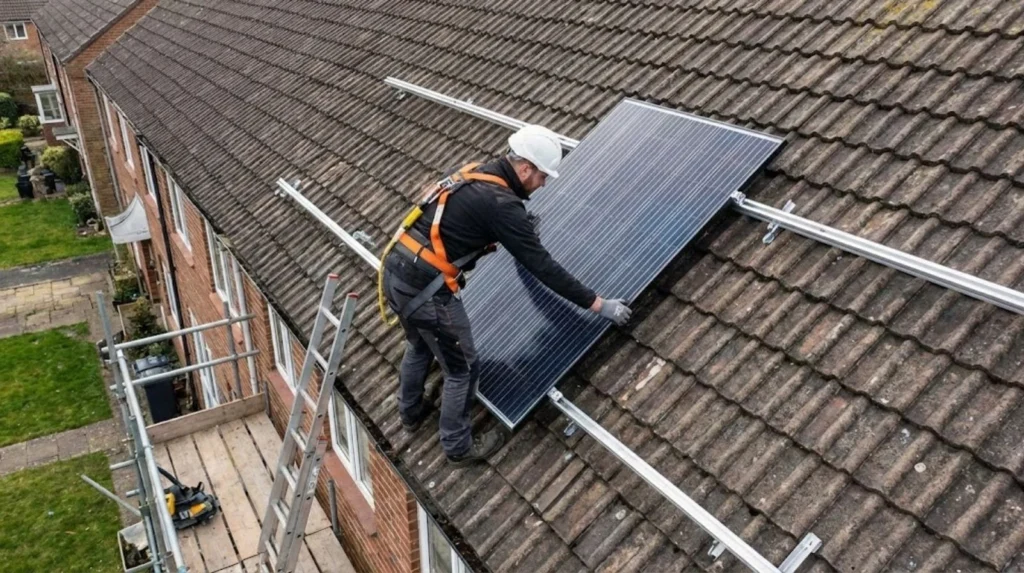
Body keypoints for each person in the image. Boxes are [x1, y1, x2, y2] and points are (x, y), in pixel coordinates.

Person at [382, 124, 632, 466]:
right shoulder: (501, 204)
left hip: (397, 273)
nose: (543, 184)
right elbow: (542, 266)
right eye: (543, 176)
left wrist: (519, 228)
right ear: (525, 168)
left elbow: (470, 218)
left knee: (420, 344)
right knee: (463, 367)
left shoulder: (478, 174)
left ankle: (410, 413)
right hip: (425, 290)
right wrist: (599, 305)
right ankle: (458, 447)